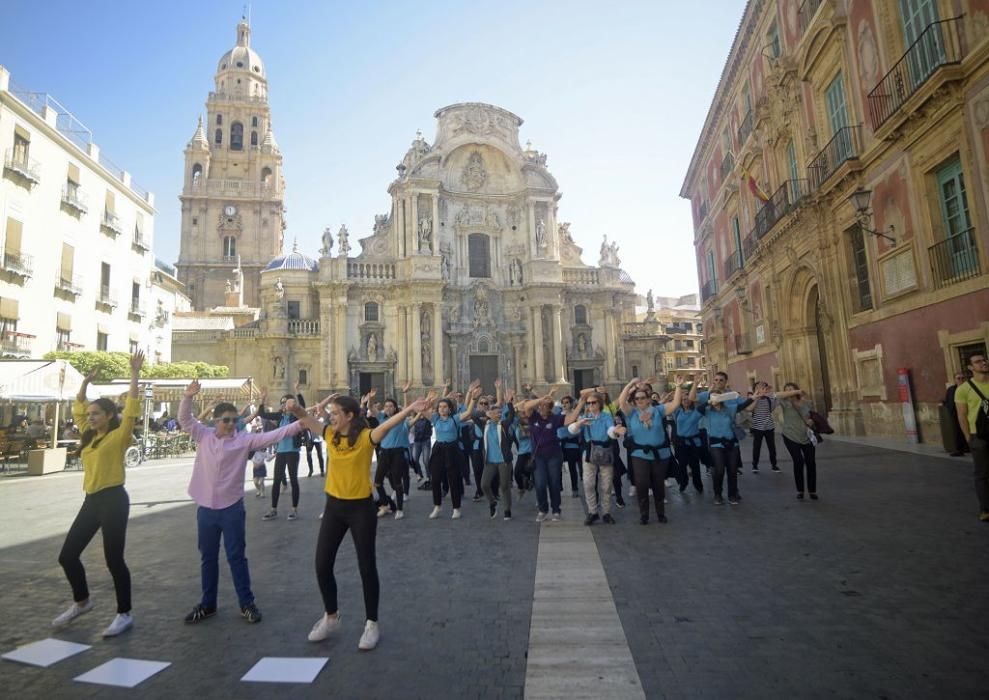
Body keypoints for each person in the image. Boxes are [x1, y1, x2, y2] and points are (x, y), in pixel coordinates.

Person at [179, 381, 320, 625]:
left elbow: (275, 434)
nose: (232, 424)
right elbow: (186, 420)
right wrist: (187, 397)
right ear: (215, 421)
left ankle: (247, 603)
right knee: (208, 558)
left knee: (236, 556)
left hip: (231, 508)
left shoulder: (243, 440)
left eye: (235, 420)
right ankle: (208, 603)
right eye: (226, 420)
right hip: (206, 509)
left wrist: (303, 421)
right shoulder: (204, 436)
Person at [305, 393, 430, 650]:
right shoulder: (330, 435)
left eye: (336, 412)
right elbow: (307, 420)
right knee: (321, 564)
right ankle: (331, 617)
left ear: (349, 416)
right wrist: (295, 407)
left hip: (360, 509)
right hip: (333, 508)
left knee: (366, 566)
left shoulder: (365, 438)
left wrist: (408, 409)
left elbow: (386, 425)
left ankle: (371, 623)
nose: (331, 416)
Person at [53, 351, 143, 637]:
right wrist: (85, 385)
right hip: (91, 500)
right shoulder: (89, 436)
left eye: (96, 414)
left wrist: (134, 374)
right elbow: (78, 407)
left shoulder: (119, 436)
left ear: (108, 416)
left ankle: (124, 613)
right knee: (67, 556)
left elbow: (130, 408)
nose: (90, 417)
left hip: (114, 500)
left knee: (113, 559)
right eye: (90, 415)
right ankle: (82, 602)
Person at [617, 377, 685, 524]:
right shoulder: (632, 413)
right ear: (634, 401)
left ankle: (661, 513)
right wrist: (629, 384)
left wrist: (678, 386)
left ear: (648, 399)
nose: (640, 400)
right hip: (640, 454)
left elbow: (675, 403)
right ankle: (644, 514)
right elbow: (621, 401)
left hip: (660, 454)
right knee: (641, 483)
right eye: (637, 398)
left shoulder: (658, 410)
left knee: (658, 484)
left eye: (643, 398)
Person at [695, 372, 752, 505]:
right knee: (719, 469)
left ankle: (732, 494)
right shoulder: (707, 411)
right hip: (716, 444)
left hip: (732, 443)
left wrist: (755, 396)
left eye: (721, 380)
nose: (716, 399)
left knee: (732, 470)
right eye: (713, 397)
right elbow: (698, 406)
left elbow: (744, 406)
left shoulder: (730, 407)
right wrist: (709, 398)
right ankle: (717, 494)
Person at [565, 390, 619, 525]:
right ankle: (592, 511)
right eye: (588, 403)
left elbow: (610, 430)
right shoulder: (585, 417)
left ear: (599, 403)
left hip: (605, 451)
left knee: (606, 485)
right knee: (588, 484)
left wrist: (615, 431)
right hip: (589, 452)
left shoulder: (606, 416)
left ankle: (606, 512)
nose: (590, 405)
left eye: (593, 402)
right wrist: (579, 423)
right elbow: (571, 431)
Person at [426, 386, 478, 519]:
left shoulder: (454, 419)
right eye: (440, 407)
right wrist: (430, 400)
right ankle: (437, 506)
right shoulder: (435, 419)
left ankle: (456, 508)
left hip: (452, 449)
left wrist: (473, 398)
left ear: (449, 409)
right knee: (436, 479)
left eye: (444, 407)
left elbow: (468, 413)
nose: (442, 409)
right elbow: (423, 410)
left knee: (453, 479)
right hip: (438, 449)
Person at [259, 387, 305, 521]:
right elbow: (262, 414)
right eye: (283, 403)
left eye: (287, 403)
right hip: (280, 451)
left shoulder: (295, 416)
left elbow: (303, 407)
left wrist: (297, 392)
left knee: (293, 479)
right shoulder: (280, 416)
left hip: (292, 451)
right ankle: (273, 509)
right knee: (277, 480)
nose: (284, 405)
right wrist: (262, 399)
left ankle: (294, 510)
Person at [520, 392, 566, 522]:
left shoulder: (555, 418)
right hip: (538, 456)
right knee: (540, 484)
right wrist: (541, 398)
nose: (541, 408)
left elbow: (570, 419)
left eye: (544, 406)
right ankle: (543, 510)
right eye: (540, 406)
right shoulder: (533, 417)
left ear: (550, 408)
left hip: (554, 455)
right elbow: (526, 407)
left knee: (554, 483)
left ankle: (556, 510)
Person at [954, 353, 989, 522]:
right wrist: (969, 438)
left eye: (984, 360)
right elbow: (962, 415)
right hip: (978, 436)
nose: (983, 363)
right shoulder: (963, 389)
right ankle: (985, 509)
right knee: (982, 474)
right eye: (978, 361)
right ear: (970, 367)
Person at [372, 391, 413, 520]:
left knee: (397, 483)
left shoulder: (400, 419)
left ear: (395, 408)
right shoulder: (381, 418)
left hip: (397, 453)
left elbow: (406, 410)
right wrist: (371, 399)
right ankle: (385, 505)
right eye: (386, 406)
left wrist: (405, 393)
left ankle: (400, 509)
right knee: (377, 482)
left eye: (390, 406)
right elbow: (370, 409)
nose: (388, 408)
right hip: (384, 452)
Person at [778, 383, 818, 500]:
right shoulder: (784, 403)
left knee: (811, 463)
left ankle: (812, 490)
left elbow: (813, 415)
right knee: (798, 461)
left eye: (792, 389)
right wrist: (791, 393)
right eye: (787, 390)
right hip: (790, 436)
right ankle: (800, 490)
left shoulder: (807, 403)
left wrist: (811, 421)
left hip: (806, 436)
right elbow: (777, 396)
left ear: (797, 389)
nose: (790, 391)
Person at [479, 399, 517, 520]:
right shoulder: (485, 425)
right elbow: (474, 415)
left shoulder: (503, 425)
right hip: (490, 461)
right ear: (490, 414)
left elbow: (511, 416)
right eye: (496, 413)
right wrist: (486, 413)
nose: (499, 414)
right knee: (484, 485)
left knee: (505, 486)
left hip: (503, 461)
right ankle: (492, 502)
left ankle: (507, 509)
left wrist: (510, 402)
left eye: (500, 413)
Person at [672, 392, 705, 494]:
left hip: (693, 443)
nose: (685, 401)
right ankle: (683, 483)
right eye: (683, 399)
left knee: (695, 465)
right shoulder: (677, 411)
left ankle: (698, 484)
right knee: (682, 465)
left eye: (687, 399)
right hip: (680, 443)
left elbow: (705, 404)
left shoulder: (697, 411)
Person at [746, 381, 780, 473]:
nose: (761, 389)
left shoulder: (769, 399)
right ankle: (755, 465)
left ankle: (774, 465)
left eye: (764, 387)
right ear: (755, 390)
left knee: (772, 447)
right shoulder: (752, 399)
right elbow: (750, 409)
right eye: (758, 388)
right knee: (757, 447)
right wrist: (757, 397)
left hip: (769, 426)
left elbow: (772, 409)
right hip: (757, 427)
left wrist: (772, 393)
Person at [558, 395, 582, 498]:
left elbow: (579, 430)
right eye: (563, 402)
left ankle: (575, 488)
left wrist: (570, 435)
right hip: (560, 445)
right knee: (557, 467)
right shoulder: (558, 415)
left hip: (572, 444)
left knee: (572, 467)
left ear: (571, 403)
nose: (564, 404)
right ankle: (559, 487)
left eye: (567, 402)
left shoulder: (575, 415)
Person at [945, 372, 971, 457]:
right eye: (958, 378)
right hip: (954, 414)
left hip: (968, 414)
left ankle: (969, 448)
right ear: (955, 380)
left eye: (962, 378)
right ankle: (959, 450)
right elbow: (947, 400)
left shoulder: (969, 388)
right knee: (957, 432)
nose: (961, 380)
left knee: (969, 430)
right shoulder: (951, 389)